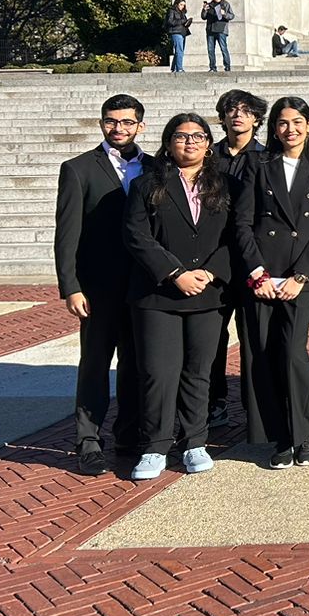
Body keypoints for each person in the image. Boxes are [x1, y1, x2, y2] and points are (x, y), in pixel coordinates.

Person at [122, 113, 235, 481]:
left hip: (207, 293)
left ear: (209, 143)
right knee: (158, 372)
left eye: (198, 136)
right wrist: (175, 274)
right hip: (158, 296)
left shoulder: (227, 185)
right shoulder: (145, 185)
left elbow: (237, 236)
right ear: (168, 142)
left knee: (199, 372)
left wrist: (209, 272)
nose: (190, 143)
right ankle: (155, 445)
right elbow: (137, 236)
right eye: (181, 136)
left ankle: (194, 442)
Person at [233, 96, 309, 469]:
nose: (289, 129)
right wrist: (256, 272)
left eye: (297, 122)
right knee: (262, 354)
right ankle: (278, 436)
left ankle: (303, 433)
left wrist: (300, 276)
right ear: (273, 128)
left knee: (292, 353)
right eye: (282, 123)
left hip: (301, 276)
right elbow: (242, 223)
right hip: (261, 275)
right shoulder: (256, 164)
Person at [54, 94, 150, 476]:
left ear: (140, 126)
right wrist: (71, 286)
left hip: (143, 285)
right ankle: (88, 439)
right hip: (98, 287)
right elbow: (67, 234)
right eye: (112, 121)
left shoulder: (156, 167)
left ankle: (128, 432)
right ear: (101, 124)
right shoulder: (78, 169)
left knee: (135, 363)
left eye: (127, 122)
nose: (119, 129)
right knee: (95, 363)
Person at [208, 88, 267, 425]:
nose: (237, 115)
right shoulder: (208, 155)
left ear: (257, 118)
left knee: (254, 335)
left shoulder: (267, 156)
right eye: (230, 109)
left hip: (254, 257)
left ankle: (254, 404)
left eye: (245, 110)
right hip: (215, 259)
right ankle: (215, 400)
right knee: (213, 336)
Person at [200, 0, 235, 73]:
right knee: (210, 49)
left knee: (223, 48)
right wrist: (204, 10)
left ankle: (227, 66)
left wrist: (224, 14)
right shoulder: (209, 5)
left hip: (221, 29)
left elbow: (232, 16)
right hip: (210, 30)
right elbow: (203, 17)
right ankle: (212, 67)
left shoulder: (225, 4)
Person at [166, 0, 191, 73]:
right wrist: (182, 21)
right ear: (177, 4)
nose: (182, 6)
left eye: (184, 5)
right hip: (175, 32)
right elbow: (170, 21)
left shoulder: (182, 13)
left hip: (183, 32)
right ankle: (179, 68)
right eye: (181, 4)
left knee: (179, 51)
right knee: (179, 50)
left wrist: (187, 22)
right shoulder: (172, 11)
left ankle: (173, 68)